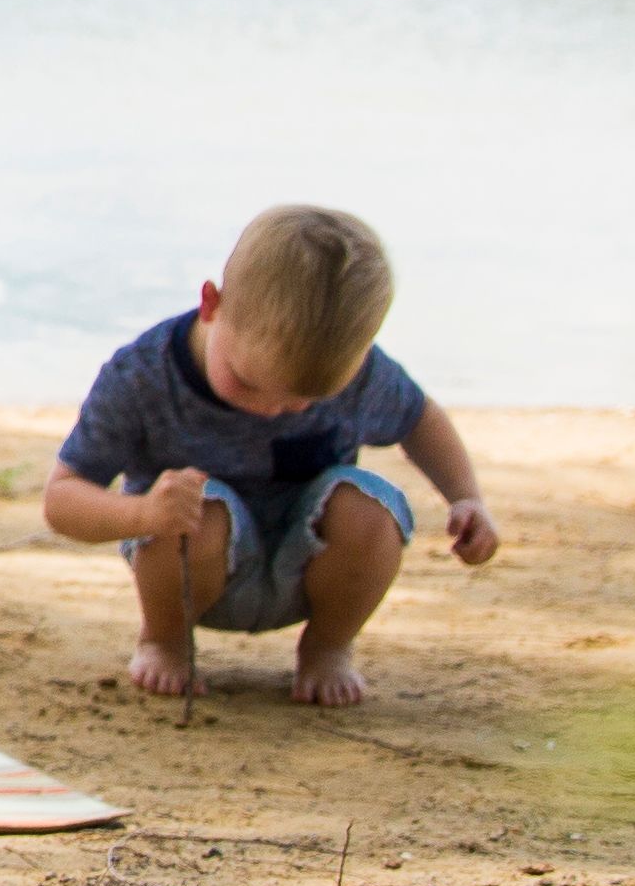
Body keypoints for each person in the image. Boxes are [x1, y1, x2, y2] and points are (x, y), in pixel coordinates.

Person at [37, 203, 500, 707]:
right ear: (212, 303)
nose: (272, 409)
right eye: (248, 383)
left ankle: (328, 647)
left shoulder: (362, 373)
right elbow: (62, 499)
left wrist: (465, 497)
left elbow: (419, 419)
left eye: (305, 399)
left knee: (374, 507)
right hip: (190, 572)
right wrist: (144, 512)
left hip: (310, 569)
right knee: (201, 508)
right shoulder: (143, 376)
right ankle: (164, 640)